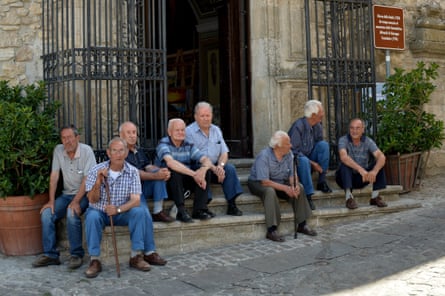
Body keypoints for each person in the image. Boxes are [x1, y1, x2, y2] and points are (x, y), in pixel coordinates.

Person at [84, 137, 166, 278]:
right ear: (108, 153)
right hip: (100, 211)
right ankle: (94, 259)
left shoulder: (133, 171)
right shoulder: (96, 170)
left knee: (140, 211)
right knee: (91, 215)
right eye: (114, 151)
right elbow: (91, 199)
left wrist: (117, 210)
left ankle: (135, 257)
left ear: (126, 153)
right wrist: (98, 182)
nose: (118, 154)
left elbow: (135, 200)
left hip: (121, 212)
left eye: (121, 150)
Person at [32, 125, 96, 269]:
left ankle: (76, 255)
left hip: (84, 194)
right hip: (66, 194)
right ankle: (51, 255)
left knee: (71, 212)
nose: (67, 141)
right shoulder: (58, 150)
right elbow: (54, 176)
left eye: (70, 137)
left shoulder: (87, 151)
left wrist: (76, 202)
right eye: (64, 138)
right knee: (47, 213)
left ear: (77, 138)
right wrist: (51, 201)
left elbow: (88, 180)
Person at [248, 131, 317, 242]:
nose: (291, 145)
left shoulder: (289, 154)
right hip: (258, 183)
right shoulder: (264, 156)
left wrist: (294, 185)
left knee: (300, 187)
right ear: (277, 146)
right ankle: (271, 230)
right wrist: (286, 188)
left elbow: (292, 175)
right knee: (270, 191)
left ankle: (302, 224)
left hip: (279, 181)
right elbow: (265, 182)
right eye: (287, 143)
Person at [185, 102, 243, 216]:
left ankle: (232, 205)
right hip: (198, 165)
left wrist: (220, 166)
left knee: (229, 169)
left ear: (212, 115)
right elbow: (195, 155)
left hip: (215, 167)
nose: (206, 119)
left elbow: (224, 152)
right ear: (195, 116)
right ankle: (203, 206)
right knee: (202, 169)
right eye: (202, 116)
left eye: (208, 115)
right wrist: (213, 168)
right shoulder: (189, 132)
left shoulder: (216, 130)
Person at [156, 118, 215, 223]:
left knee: (205, 171)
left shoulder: (188, 144)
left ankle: (199, 210)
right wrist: (194, 174)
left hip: (185, 184)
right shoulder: (163, 144)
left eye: (182, 130)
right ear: (169, 132)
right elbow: (170, 163)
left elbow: (206, 159)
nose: (180, 133)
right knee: (174, 171)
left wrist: (203, 170)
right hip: (169, 185)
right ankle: (180, 210)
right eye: (177, 130)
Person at [119, 121, 174, 223]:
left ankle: (158, 212)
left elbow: (147, 166)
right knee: (143, 215)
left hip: (143, 187)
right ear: (121, 135)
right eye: (129, 133)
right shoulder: (120, 152)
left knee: (160, 175)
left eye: (134, 132)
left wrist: (160, 171)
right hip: (131, 191)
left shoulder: (138, 150)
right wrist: (155, 175)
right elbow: (136, 174)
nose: (132, 136)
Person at [288, 99, 332, 210]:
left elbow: (319, 143)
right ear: (313, 115)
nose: (322, 114)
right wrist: (313, 163)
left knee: (324, 145)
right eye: (320, 112)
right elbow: (293, 152)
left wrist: (323, 162)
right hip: (299, 162)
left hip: (310, 157)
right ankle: (308, 195)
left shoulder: (317, 125)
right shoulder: (298, 127)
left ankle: (321, 181)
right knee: (303, 160)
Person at [336, 118, 388, 210]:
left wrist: (374, 171)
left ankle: (375, 197)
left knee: (379, 163)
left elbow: (381, 156)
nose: (354, 131)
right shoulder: (343, 140)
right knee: (345, 164)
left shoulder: (367, 141)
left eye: (357, 128)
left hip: (361, 178)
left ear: (363, 130)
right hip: (345, 178)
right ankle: (349, 198)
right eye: (352, 128)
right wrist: (361, 170)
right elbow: (343, 157)